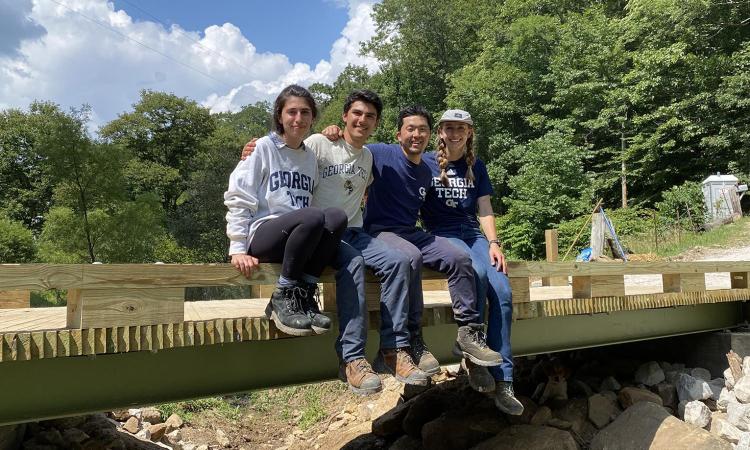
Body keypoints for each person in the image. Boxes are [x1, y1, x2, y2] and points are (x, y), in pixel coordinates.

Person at [242, 90, 429, 394]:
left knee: (399, 261)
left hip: (355, 230)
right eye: (357, 113)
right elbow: (288, 148)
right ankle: (352, 357)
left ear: (376, 122)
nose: (362, 120)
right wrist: (255, 147)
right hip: (324, 231)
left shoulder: (369, 156)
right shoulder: (319, 143)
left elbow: (411, 158)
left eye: (370, 116)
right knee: (353, 263)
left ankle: (393, 349)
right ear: (344, 116)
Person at [325, 106, 503, 371]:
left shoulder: (426, 171)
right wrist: (332, 132)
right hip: (380, 231)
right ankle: (412, 339)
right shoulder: (381, 153)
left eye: (422, 130)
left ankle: (468, 332)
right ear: (399, 134)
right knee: (411, 257)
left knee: (459, 257)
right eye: (410, 129)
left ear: (431, 135)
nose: (416, 135)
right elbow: (350, 145)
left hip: (410, 231)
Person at [421, 109, 524, 415]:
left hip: (472, 233)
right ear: (440, 132)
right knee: (474, 271)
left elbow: (485, 207)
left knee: (503, 294)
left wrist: (494, 243)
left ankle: (504, 380)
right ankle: (474, 354)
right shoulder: (424, 162)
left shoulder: (476, 166)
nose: (454, 133)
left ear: (469, 133)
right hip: (440, 233)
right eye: (449, 128)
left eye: (461, 129)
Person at [225, 84, 347, 339]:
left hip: (298, 237)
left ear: (313, 118)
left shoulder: (310, 157)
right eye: (291, 112)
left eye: (305, 112)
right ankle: (282, 296)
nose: (298, 119)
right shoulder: (262, 148)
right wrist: (236, 247)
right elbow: (239, 195)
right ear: (279, 115)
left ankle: (304, 295)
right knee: (313, 215)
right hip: (264, 234)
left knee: (336, 217)